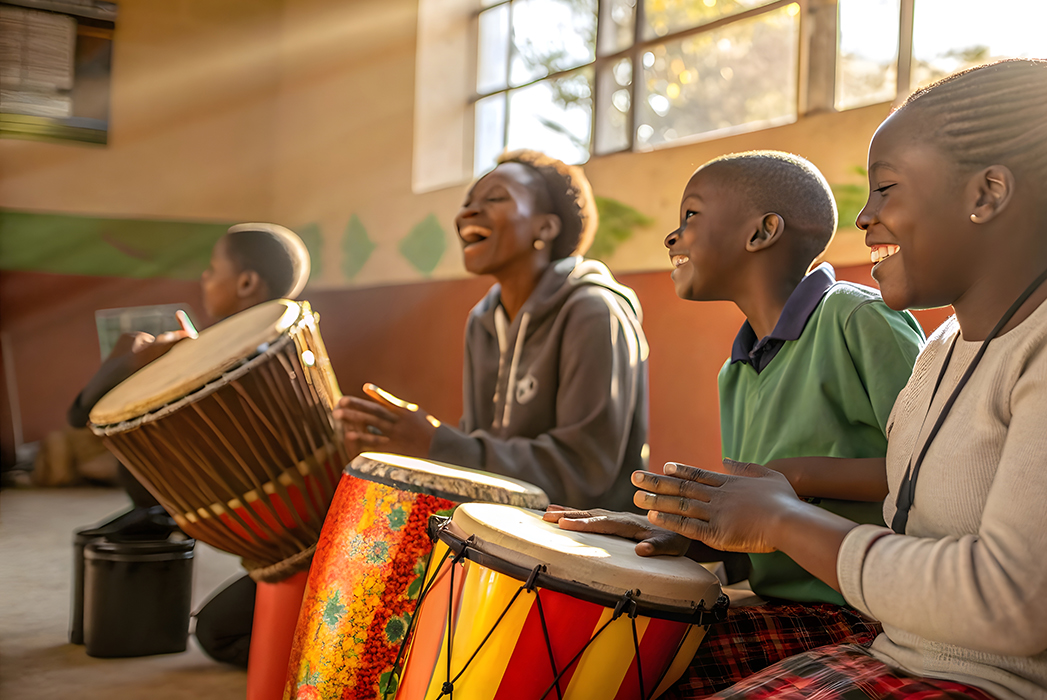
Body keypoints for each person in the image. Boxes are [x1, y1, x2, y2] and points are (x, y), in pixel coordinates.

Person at [628, 53, 1047, 699]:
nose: (862, 217)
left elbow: (1009, 604)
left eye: (886, 188)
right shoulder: (943, 349)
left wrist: (783, 517)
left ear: (986, 194)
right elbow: (906, 523)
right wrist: (710, 525)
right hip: (912, 654)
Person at [546, 151, 925, 698]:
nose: (673, 238)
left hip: (863, 612)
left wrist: (795, 477)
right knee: (604, 668)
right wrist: (685, 533)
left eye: (692, 216)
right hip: (776, 604)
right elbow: (755, 540)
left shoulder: (857, 318)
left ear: (763, 231)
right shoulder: (736, 371)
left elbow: (932, 469)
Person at [334, 150, 648, 512]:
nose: (467, 212)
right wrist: (408, 445)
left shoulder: (594, 311)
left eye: (495, 198)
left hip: (588, 546)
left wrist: (438, 444)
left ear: (545, 227)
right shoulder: (483, 321)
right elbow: (479, 447)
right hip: (508, 532)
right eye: (468, 202)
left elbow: (584, 473)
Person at [67, 222, 311, 668]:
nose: (204, 277)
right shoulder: (286, 346)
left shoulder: (230, 362)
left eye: (212, 268)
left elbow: (77, 414)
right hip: (281, 532)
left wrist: (132, 361)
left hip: (296, 541)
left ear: (246, 282)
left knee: (219, 633)